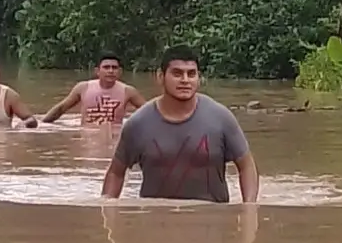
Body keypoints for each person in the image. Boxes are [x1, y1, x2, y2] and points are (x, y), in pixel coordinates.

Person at [100, 45, 259, 203]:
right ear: (160, 77)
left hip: (212, 220)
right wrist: (106, 216)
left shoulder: (221, 117)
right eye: (177, 74)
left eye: (191, 74)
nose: (185, 80)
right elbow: (116, 173)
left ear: (199, 77)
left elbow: (246, 166)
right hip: (155, 220)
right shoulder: (138, 124)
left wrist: (249, 209)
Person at [41, 53, 147, 125]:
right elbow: (61, 109)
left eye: (114, 68)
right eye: (106, 67)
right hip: (87, 136)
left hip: (115, 136)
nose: (110, 71)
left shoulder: (128, 91)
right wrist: (42, 125)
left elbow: (150, 112)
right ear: (97, 71)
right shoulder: (83, 88)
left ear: (120, 72)